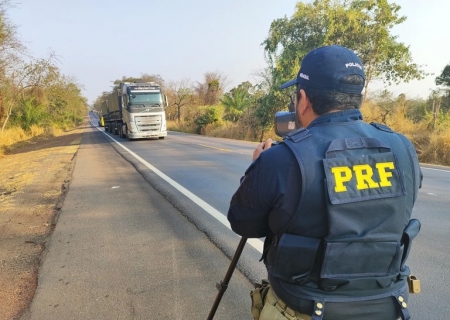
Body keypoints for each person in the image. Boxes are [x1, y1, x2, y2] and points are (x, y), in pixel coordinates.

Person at [227, 45, 422, 320]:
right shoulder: (403, 148)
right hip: (388, 307)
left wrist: (257, 168)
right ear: (357, 97)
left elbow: (244, 223)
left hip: (303, 306)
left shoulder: (281, 159)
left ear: (303, 99)